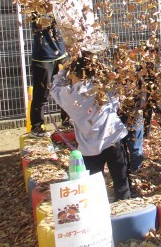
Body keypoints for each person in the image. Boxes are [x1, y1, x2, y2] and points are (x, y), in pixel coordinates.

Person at [50, 54, 131, 201]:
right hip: (114, 139)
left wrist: (63, 69)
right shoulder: (103, 87)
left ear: (72, 75)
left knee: (93, 187)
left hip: (89, 148)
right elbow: (115, 102)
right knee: (121, 181)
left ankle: (98, 208)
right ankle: (125, 206)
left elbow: (54, 87)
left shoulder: (68, 95)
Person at [29, 15, 69, 137]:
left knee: (66, 90)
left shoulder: (60, 8)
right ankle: (36, 126)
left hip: (62, 55)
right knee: (41, 94)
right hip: (43, 57)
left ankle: (67, 121)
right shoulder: (37, 9)